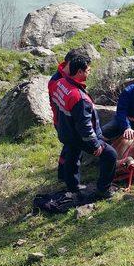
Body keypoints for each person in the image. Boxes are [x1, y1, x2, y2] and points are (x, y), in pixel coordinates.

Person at [50, 54, 118, 198]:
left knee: (72, 155)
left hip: (66, 131)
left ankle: (72, 186)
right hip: (78, 135)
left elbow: (57, 105)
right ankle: (103, 189)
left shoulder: (60, 83)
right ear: (79, 72)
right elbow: (85, 126)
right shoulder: (79, 98)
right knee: (110, 154)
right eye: (87, 70)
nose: (89, 72)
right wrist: (95, 145)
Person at [48, 48, 88, 181]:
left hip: (67, 119)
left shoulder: (65, 77)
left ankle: (64, 175)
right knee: (72, 149)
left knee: (69, 148)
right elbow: (59, 103)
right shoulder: (56, 80)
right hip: (63, 120)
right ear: (69, 63)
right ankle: (68, 177)